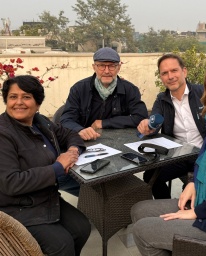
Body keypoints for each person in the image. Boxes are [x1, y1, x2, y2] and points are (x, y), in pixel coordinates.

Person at [131, 59, 206, 255]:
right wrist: (193, 183)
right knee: (139, 209)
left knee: (142, 230)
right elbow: (205, 158)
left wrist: (197, 212)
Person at [0, 75, 91, 256]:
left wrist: (72, 150)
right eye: (13, 97)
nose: (19, 102)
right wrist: (57, 167)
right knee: (62, 245)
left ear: (37, 103)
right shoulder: (4, 134)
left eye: (26, 97)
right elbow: (11, 182)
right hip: (17, 207)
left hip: (45, 196)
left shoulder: (40, 122)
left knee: (82, 228)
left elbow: (69, 134)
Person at [59, 47, 148, 196]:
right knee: (63, 178)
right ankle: (92, 197)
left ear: (118, 67)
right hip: (85, 144)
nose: (107, 70)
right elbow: (65, 118)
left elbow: (140, 117)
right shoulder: (79, 88)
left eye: (112, 66)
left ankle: (109, 198)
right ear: (94, 67)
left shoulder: (130, 89)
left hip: (117, 146)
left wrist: (104, 123)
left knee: (119, 176)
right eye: (101, 65)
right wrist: (80, 129)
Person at [137, 53, 206, 199]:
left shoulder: (204, 93)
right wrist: (148, 127)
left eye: (174, 70)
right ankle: (166, 206)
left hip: (204, 154)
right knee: (151, 176)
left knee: (191, 189)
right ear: (161, 77)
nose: (170, 76)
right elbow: (154, 121)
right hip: (178, 156)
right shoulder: (162, 100)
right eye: (164, 73)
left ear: (184, 71)